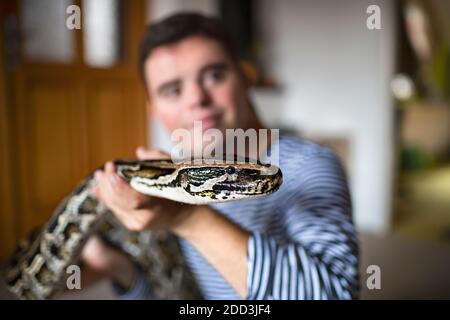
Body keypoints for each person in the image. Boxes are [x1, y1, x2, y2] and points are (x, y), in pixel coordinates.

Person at [81, 13, 359, 300]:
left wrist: (187, 216)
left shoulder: (309, 166)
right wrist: (119, 268)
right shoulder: (173, 178)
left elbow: (334, 296)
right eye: (172, 90)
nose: (196, 99)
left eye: (214, 75)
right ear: (153, 109)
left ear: (245, 77)